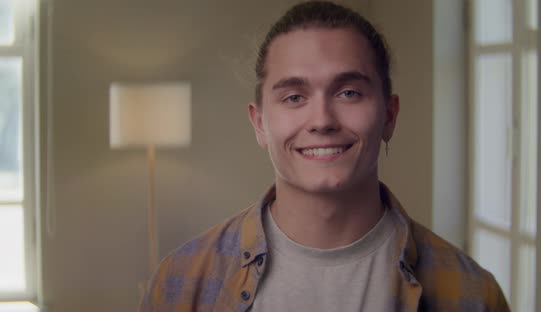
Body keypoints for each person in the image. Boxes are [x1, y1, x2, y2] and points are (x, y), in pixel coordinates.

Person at [140, 1, 509, 311]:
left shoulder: (473, 295)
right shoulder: (180, 283)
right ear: (259, 123)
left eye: (348, 93)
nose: (322, 121)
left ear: (389, 116)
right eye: (294, 97)